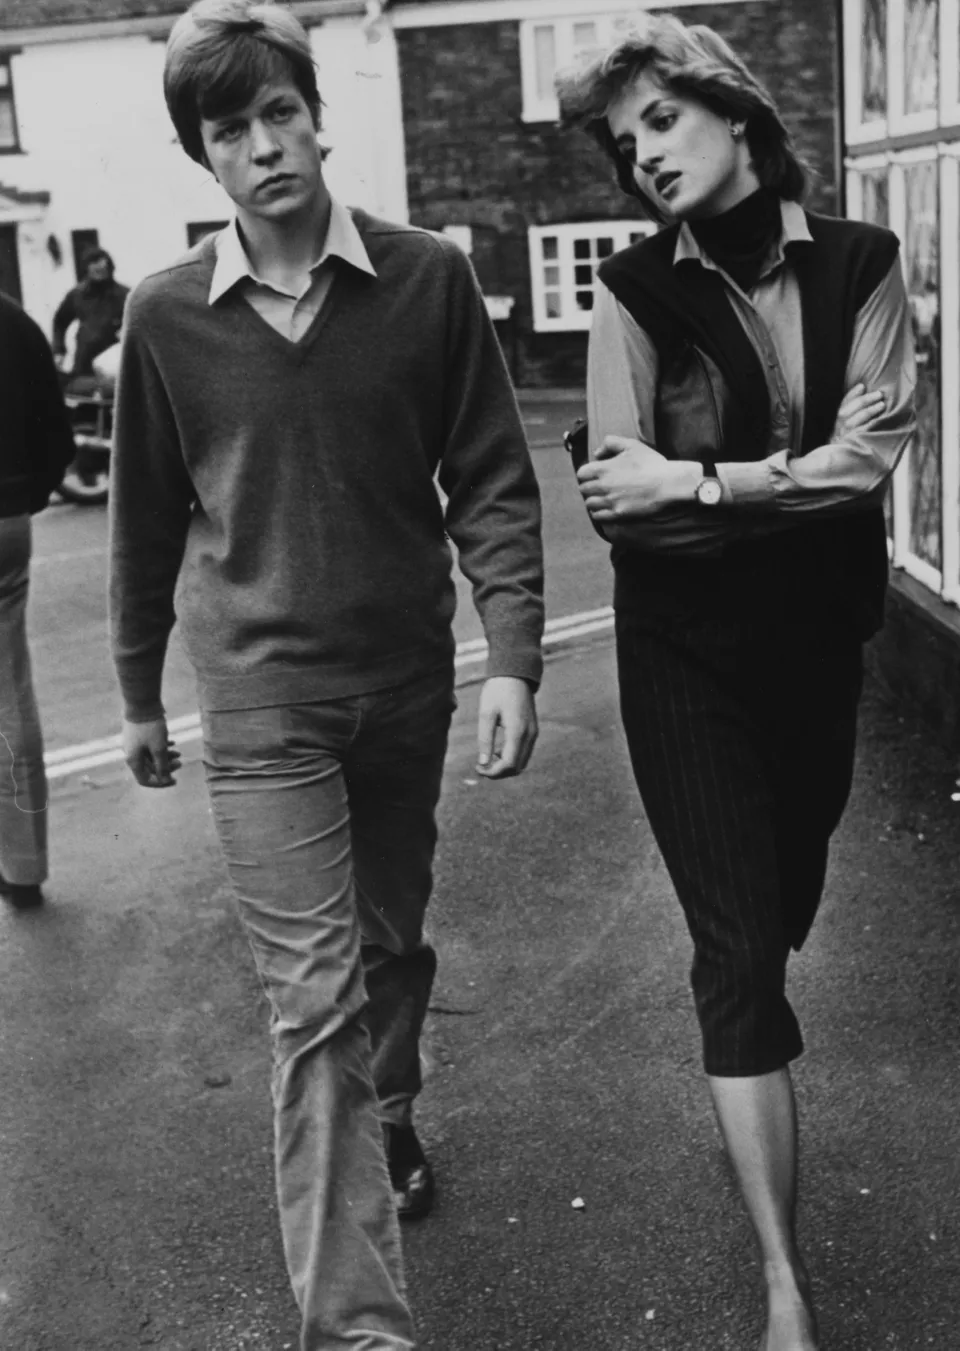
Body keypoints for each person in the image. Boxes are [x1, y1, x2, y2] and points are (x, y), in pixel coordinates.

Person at [108, 2, 544, 1347]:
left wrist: (513, 651)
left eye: (278, 112)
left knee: (388, 947)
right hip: (257, 701)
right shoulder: (166, 318)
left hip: (403, 685)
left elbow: (490, 477)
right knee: (312, 1000)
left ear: (315, 114)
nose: (263, 145)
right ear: (206, 158)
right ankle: (357, 1323)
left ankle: (393, 1109)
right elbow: (143, 519)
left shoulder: (425, 281)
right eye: (229, 130)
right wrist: (136, 691)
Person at [557, 16, 915, 1351]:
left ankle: (760, 990)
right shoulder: (632, 287)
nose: (641, 152)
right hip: (682, 658)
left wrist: (705, 483)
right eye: (622, 138)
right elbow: (619, 506)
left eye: (660, 119)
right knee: (736, 952)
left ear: (736, 114)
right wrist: (777, 489)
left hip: (819, 650)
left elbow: (872, 450)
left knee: (787, 899)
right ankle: (785, 1282)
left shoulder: (866, 264)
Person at [0, 295, 77, 909]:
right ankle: (23, 866)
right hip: (5, 519)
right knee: (9, 695)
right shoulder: (14, 321)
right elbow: (59, 433)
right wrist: (30, 492)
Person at [52, 247, 129, 379]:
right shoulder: (77, 294)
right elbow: (60, 322)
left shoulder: (124, 295)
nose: (100, 270)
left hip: (112, 363)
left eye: (104, 267)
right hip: (84, 359)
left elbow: (137, 325)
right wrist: (59, 350)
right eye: (94, 265)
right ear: (87, 268)